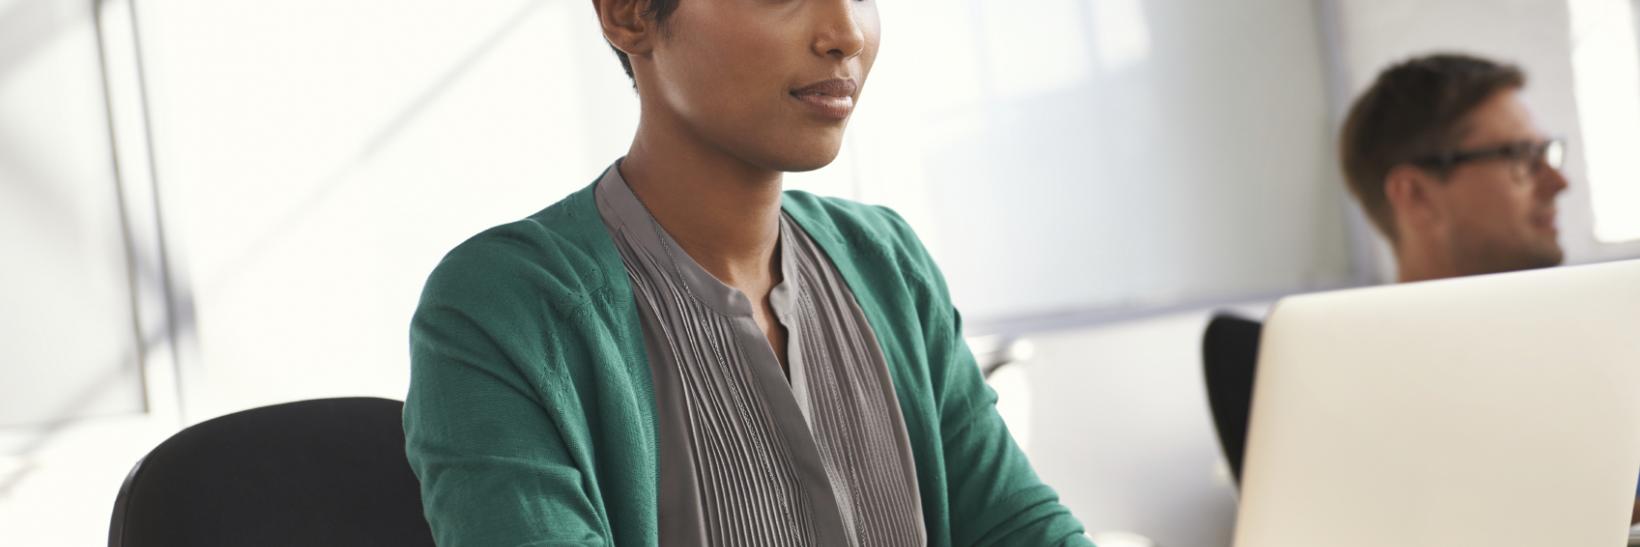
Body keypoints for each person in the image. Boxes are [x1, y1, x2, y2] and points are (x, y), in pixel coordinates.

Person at [402, 0, 1093, 545]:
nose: (845, 32)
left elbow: (1015, 525)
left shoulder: (888, 263)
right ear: (629, 13)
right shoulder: (501, 309)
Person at [1339, 52, 1637, 524]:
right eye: (1520, 157)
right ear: (1416, 195)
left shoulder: (1591, 345)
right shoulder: (1343, 400)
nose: (1559, 182)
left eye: (1547, 153)